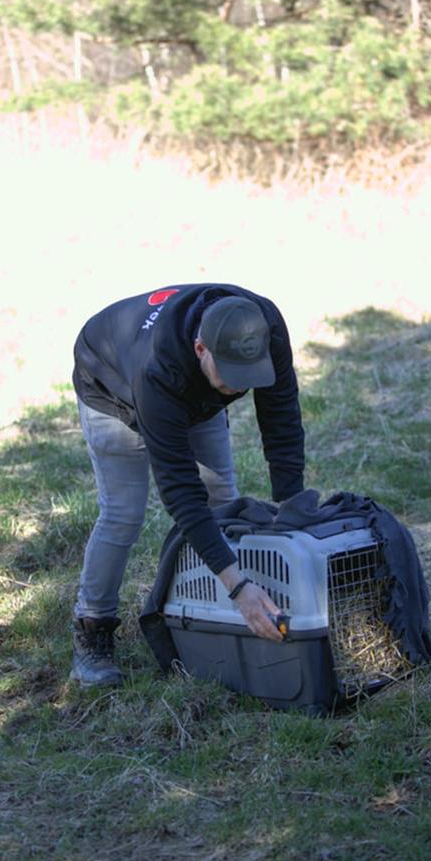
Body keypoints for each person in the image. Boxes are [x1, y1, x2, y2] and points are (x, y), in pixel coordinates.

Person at [70, 283, 305, 687]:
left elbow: (281, 423)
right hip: (111, 383)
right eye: (231, 376)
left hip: (190, 390)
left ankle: (213, 616)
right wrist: (239, 586)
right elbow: (181, 493)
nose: (239, 386)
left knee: (223, 503)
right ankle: (92, 631)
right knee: (124, 514)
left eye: (248, 376)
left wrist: (291, 511)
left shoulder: (264, 325)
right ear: (201, 349)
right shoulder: (157, 370)